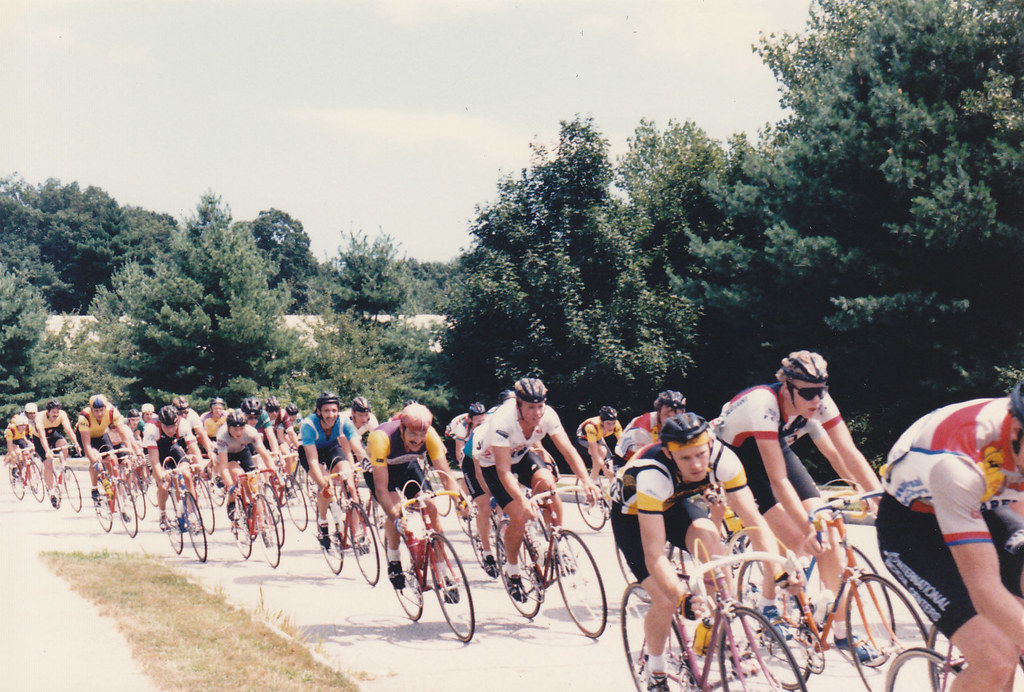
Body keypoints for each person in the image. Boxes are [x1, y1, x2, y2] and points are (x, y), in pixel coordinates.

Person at [712, 350, 881, 658]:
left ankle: (840, 632)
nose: (816, 400)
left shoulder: (819, 400)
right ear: (787, 387)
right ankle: (767, 605)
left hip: (774, 449)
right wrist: (806, 529)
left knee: (828, 531)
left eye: (822, 390)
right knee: (796, 538)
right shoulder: (764, 403)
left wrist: (879, 497)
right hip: (739, 458)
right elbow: (777, 481)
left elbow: (848, 452)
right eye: (808, 393)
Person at [610, 412, 787, 691]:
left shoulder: (723, 459)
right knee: (665, 600)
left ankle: (721, 632)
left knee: (712, 545)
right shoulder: (652, 474)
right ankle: (655, 670)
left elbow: (754, 521)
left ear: (710, 445)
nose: (696, 465)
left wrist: (779, 571)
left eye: (701, 455)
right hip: (633, 516)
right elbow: (654, 553)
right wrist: (681, 597)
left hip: (674, 503)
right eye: (686, 458)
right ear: (669, 454)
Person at [878, 381, 1024, 691]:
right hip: (914, 528)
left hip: (983, 502)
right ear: (1015, 433)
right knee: (996, 658)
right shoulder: (958, 464)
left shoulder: (1012, 447)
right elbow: (985, 590)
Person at [471, 377, 598, 601]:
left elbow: (567, 449)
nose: (537, 413)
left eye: (540, 406)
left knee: (549, 486)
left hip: (520, 454)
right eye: (531, 407)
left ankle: (555, 543)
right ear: (518, 405)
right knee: (519, 516)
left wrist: (587, 480)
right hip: (493, 464)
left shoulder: (547, 414)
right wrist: (522, 499)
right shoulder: (503, 420)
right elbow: (504, 471)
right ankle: (512, 571)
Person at [368, 402, 456, 588]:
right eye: (413, 434)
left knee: (430, 507)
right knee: (398, 513)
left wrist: (460, 502)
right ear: (402, 428)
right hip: (382, 471)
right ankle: (394, 561)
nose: (418, 440)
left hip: (407, 466)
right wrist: (396, 517)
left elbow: (446, 475)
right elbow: (382, 490)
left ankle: (442, 571)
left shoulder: (430, 435)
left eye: (421, 434)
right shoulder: (381, 438)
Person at [299, 392, 361, 550]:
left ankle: (356, 532)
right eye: (326, 411)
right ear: (318, 411)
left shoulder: (344, 421)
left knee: (350, 484)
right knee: (326, 485)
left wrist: (365, 461)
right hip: (311, 453)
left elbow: (356, 445)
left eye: (334, 410)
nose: (331, 415)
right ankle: (322, 521)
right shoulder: (308, 425)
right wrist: (323, 483)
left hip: (332, 447)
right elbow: (313, 460)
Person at [144, 405, 203, 531]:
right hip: (153, 450)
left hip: (171, 446)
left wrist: (200, 466)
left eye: (173, 425)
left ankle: (192, 515)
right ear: (161, 424)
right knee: (164, 483)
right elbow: (154, 460)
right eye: (167, 426)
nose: (171, 429)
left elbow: (194, 447)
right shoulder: (151, 428)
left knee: (187, 475)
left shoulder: (183, 424)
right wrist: (161, 476)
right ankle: (162, 514)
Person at [77, 394, 141, 506]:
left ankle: (113, 486)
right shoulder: (84, 417)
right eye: (96, 411)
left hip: (102, 435)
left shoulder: (113, 412)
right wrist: (94, 462)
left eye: (102, 410)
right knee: (96, 459)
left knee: (113, 459)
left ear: (106, 408)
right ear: (91, 409)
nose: (99, 413)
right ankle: (94, 487)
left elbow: (124, 434)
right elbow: (87, 445)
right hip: (87, 438)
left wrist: (130, 451)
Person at [216, 409, 275, 522]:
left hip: (243, 451)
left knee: (252, 482)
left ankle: (257, 515)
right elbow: (223, 468)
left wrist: (273, 470)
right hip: (228, 455)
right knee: (240, 475)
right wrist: (230, 487)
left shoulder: (251, 432)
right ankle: (232, 502)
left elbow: (264, 454)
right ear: (228, 427)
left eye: (241, 429)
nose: (238, 432)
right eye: (235, 429)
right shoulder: (222, 436)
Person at [616, 391, 688, 461]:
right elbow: (643, 460)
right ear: (658, 412)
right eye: (667, 415)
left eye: (677, 417)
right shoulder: (643, 428)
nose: (671, 421)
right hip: (627, 460)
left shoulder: (683, 422)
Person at [576, 405, 623, 481]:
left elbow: (622, 445)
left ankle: (611, 488)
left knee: (611, 466)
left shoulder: (616, 424)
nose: (611, 427)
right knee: (601, 451)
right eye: (608, 423)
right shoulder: (592, 426)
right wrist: (604, 468)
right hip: (583, 440)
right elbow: (595, 453)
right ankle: (593, 479)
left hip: (598, 438)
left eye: (613, 423)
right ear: (601, 422)